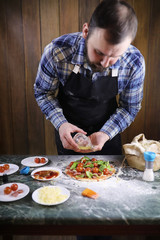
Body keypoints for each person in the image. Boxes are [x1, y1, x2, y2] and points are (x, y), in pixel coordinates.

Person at [34, 0, 145, 157]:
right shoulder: (56, 52)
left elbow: (129, 107)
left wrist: (105, 133)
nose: (105, 63)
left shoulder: (134, 62)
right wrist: (61, 124)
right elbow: (43, 93)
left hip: (108, 136)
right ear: (86, 31)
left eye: (115, 56)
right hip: (68, 133)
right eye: (99, 52)